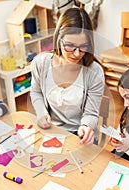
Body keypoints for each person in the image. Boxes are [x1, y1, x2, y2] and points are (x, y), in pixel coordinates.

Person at [30, 7, 105, 145]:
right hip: (51, 131)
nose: (77, 54)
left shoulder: (94, 72)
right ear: (59, 39)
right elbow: (36, 91)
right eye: (70, 46)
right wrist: (41, 113)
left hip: (79, 137)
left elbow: (91, 113)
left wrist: (86, 127)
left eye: (83, 46)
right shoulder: (41, 63)